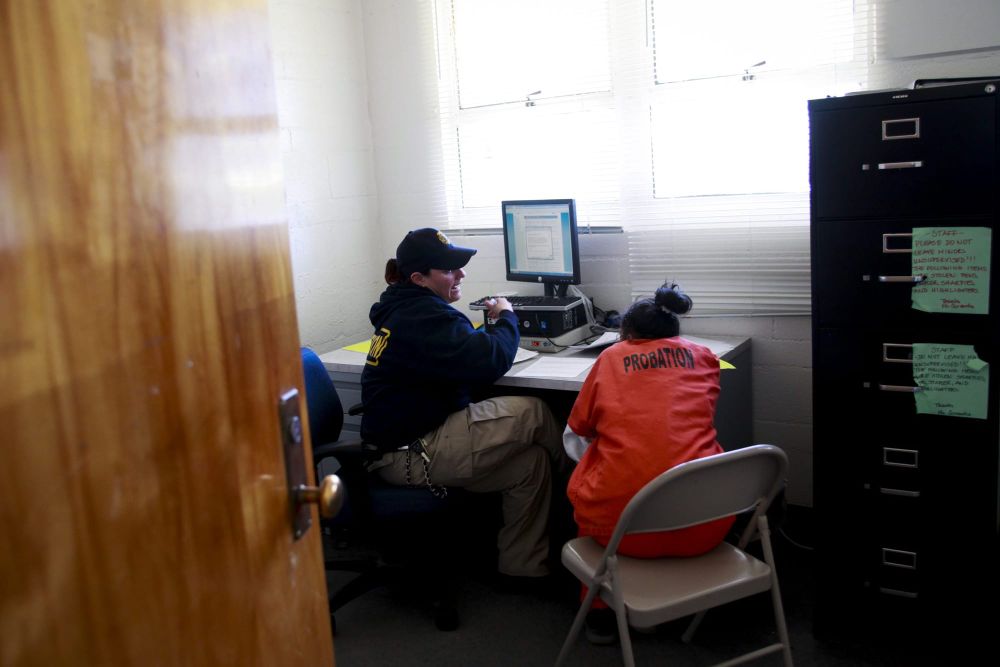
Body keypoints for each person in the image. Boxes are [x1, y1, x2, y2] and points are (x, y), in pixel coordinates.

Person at [360, 227, 568, 585]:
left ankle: (523, 568)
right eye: (448, 270)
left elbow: (463, 353)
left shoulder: (407, 309)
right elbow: (490, 360)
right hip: (412, 453)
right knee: (534, 412)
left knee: (530, 465)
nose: (461, 274)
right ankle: (583, 506)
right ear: (418, 278)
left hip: (406, 445)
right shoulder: (424, 317)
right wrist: (506, 317)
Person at [562, 282, 735, 644]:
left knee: (594, 468)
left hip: (622, 534)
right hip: (706, 525)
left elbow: (580, 426)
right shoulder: (703, 356)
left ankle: (600, 616)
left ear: (625, 334)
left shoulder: (611, 357)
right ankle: (656, 610)